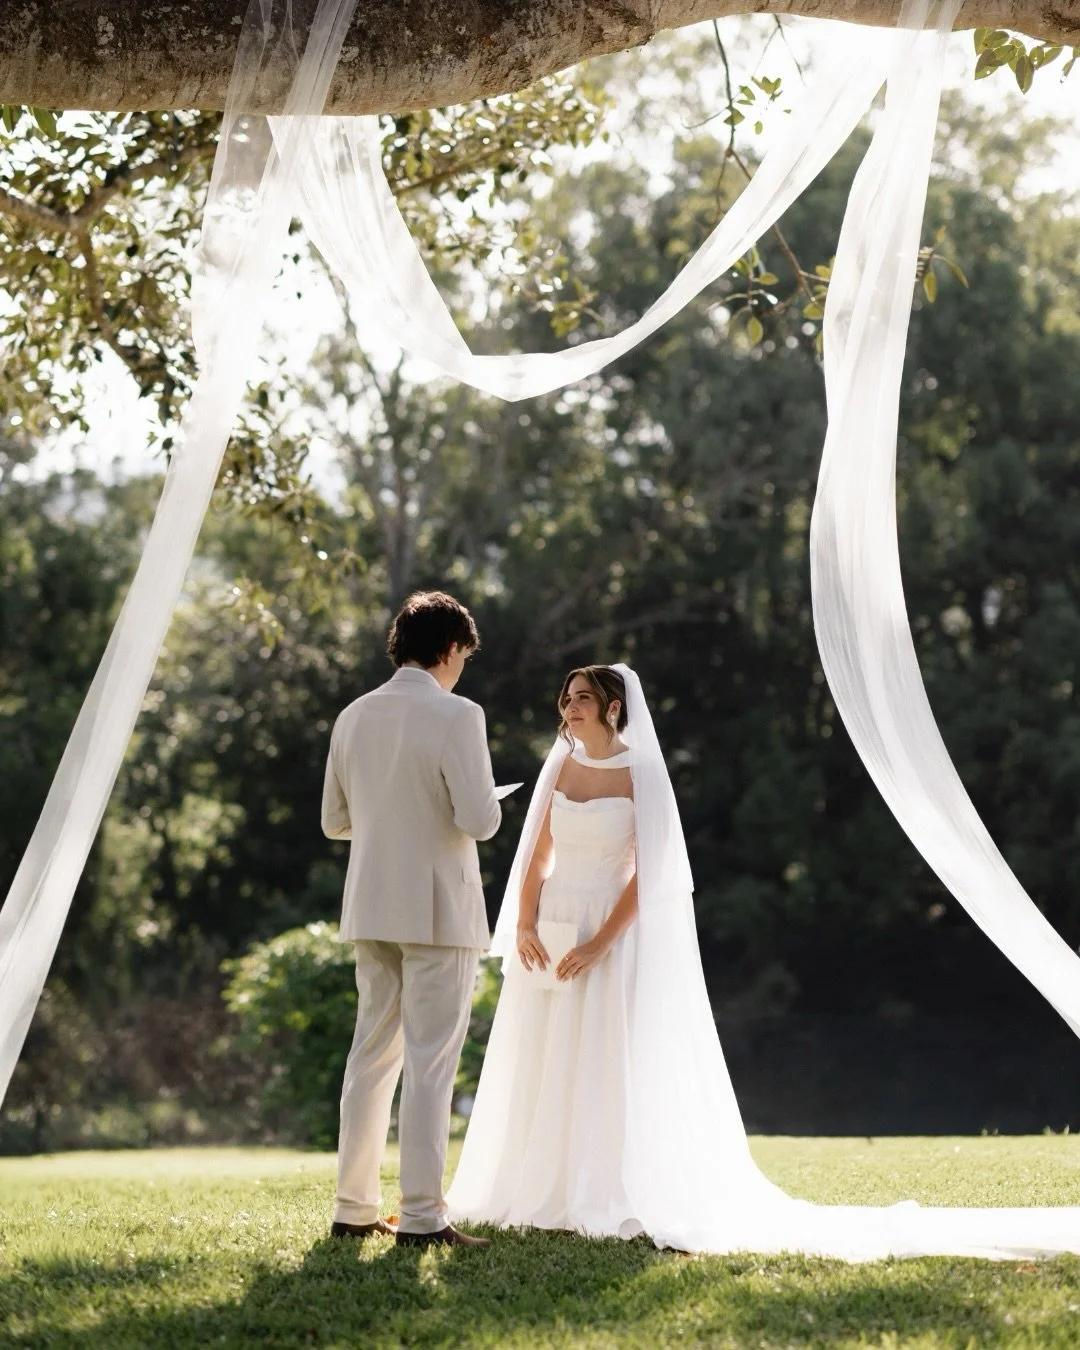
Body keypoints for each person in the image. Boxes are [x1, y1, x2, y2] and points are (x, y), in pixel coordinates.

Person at [448, 662, 1080, 1260]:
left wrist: (598, 944)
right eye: (566, 697)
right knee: (545, 1050)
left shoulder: (642, 772)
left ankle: (599, 1187)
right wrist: (527, 921)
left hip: (608, 933)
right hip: (554, 923)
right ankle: (538, 1184)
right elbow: (536, 856)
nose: (569, 706)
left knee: (604, 1053)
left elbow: (653, 878)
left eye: (581, 696)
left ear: (613, 708)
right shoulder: (559, 768)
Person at [321, 590, 500, 1249]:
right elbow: (479, 820)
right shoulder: (459, 715)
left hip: (371, 904)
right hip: (438, 909)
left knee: (370, 1058)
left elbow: (335, 822)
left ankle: (353, 1208)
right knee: (430, 1064)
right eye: (465, 657)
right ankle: (423, 1218)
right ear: (451, 650)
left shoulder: (353, 716)